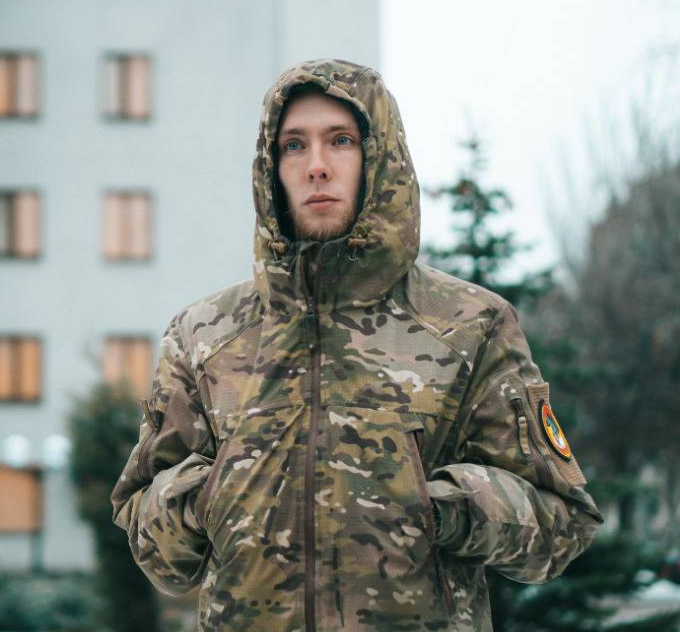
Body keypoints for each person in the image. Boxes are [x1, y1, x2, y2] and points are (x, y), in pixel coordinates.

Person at [110, 58, 602, 631]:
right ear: (271, 169)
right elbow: (151, 543)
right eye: (294, 146)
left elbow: (562, 525)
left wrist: (445, 507)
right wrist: (205, 500)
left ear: (378, 156)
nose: (317, 165)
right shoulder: (205, 335)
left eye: (340, 140)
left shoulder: (469, 325)